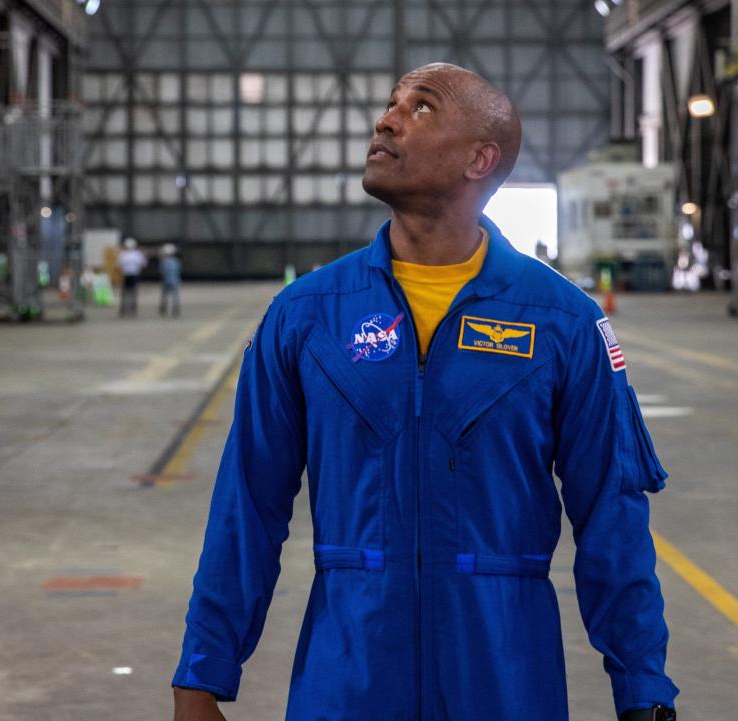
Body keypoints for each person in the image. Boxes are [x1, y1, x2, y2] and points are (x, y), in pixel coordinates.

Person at [172, 63, 678, 721]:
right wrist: (200, 674)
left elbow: (612, 515)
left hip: (504, 681)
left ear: (479, 158)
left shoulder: (560, 321)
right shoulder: (308, 315)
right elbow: (247, 503)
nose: (386, 120)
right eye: (390, 104)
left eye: (421, 108)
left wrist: (642, 689)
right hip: (346, 681)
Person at [117, 237, 146, 317]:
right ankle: (133, 308)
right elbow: (143, 264)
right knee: (133, 292)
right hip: (135, 275)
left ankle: (124, 308)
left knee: (125, 293)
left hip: (126, 275)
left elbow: (119, 265)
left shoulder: (122, 254)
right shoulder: (138, 254)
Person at [159, 244, 182, 318]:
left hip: (166, 281)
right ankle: (176, 309)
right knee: (175, 296)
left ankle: (163, 308)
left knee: (164, 295)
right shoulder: (177, 261)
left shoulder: (164, 262)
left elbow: (161, 271)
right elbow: (180, 270)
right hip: (175, 281)